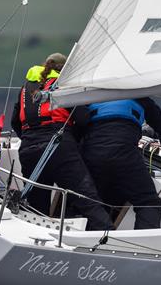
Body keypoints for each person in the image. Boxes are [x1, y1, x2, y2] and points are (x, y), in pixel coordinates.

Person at [10, 53, 114, 231]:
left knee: (37, 209)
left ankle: (39, 245)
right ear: (65, 71)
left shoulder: (25, 88)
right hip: (59, 146)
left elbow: (15, 122)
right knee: (87, 199)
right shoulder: (64, 85)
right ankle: (108, 237)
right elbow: (82, 119)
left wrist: (31, 140)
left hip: (28, 149)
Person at [79, 98, 161, 230]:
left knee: (95, 202)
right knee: (148, 202)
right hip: (125, 154)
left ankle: (91, 241)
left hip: (92, 154)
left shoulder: (93, 97)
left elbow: (77, 125)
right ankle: (141, 247)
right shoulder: (140, 97)